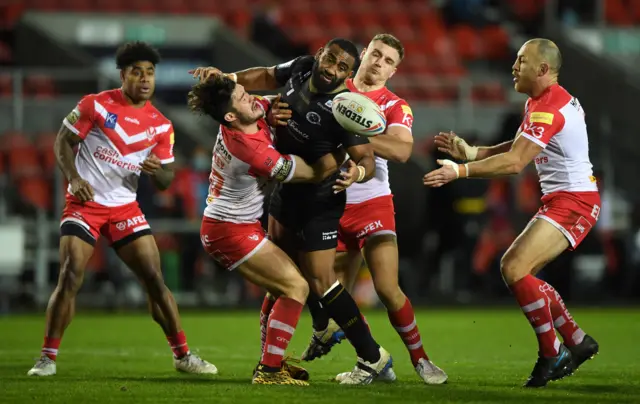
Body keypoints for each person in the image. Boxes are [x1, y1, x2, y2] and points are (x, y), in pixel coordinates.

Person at [190, 38, 392, 385]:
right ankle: (274, 362)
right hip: (282, 197)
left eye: (343, 67)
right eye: (329, 60)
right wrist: (251, 95)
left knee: (319, 282)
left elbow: (368, 161)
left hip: (319, 202)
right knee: (285, 285)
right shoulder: (297, 72)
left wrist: (354, 172)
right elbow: (267, 76)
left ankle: (372, 356)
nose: (332, 69)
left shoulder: (346, 108)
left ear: (349, 72)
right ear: (319, 56)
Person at [27, 41, 217, 377]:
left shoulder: (161, 125)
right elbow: (62, 141)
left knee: (154, 279)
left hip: (124, 208)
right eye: (137, 72)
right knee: (70, 274)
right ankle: (47, 357)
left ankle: (183, 355)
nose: (145, 79)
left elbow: (166, 180)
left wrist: (158, 170)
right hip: (85, 204)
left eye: (150, 73)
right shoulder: (95, 105)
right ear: (122, 75)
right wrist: (73, 177)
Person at [423, 38, 600, 388]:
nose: (514, 66)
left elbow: (517, 161)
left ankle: (553, 352)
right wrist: (474, 152)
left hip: (574, 202)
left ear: (543, 69)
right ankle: (576, 341)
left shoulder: (548, 105)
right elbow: (521, 143)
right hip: (564, 200)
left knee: (514, 267)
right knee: (523, 274)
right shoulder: (541, 101)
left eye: (522, 60)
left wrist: (460, 171)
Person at [298, 33, 448, 385]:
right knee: (331, 295)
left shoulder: (394, 104)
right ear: (364, 54)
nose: (380, 62)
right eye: (377, 54)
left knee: (386, 288)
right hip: (331, 200)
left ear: (393, 71)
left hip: (371, 202)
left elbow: (402, 151)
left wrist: (351, 130)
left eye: (389, 60)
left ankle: (422, 360)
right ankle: (371, 361)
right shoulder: (333, 84)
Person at [189, 76, 344, 385]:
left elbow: (275, 101)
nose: (252, 98)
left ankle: (270, 362)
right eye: (243, 97)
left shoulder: (245, 115)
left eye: (246, 92)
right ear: (231, 117)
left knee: (279, 288)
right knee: (296, 288)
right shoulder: (252, 151)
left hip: (237, 224)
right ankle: (270, 371)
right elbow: (313, 173)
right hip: (228, 230)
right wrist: (341, 151)